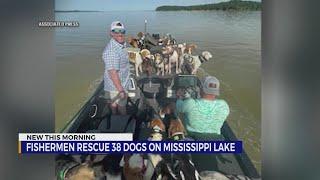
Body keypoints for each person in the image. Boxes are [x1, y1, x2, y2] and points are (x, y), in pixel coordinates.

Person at [175, 76, 230, 140]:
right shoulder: (223, 105)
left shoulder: (190, 104)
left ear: (201, 88)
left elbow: (178, 107)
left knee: (174, 138)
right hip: (216, 141)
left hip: (194, 139)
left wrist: (179, 96)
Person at [102, 21, 130, 115]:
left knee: (113, 104)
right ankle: (123, 124)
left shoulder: (120, 44)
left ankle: (114, 116)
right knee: (122, 107)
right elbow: (113, 73)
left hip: (119, 83)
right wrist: (121, 90)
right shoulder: (111, 51)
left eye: (122, 31)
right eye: (116, 31)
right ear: (111, 33)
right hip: (117, 86)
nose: (120, 34)